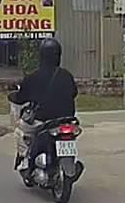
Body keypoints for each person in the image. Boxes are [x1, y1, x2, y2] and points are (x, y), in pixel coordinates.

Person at [8, 37, 78, 169]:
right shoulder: (67, 75)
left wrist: (12, 96)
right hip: (66, 121)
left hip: (42, 121)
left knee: (20, 130)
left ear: (41, 56)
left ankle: (25, 160)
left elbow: (21, 98)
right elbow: (74, 93)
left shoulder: (33, 77)